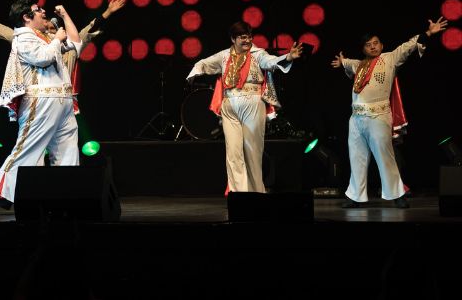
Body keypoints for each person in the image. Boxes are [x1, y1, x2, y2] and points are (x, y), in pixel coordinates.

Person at [331, 17, 448, 208]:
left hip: (378, 116)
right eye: (368, 45)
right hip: (356, 118)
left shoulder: (390, 58)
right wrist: (342, 61)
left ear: (381, 45)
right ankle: (355, 197)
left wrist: (427, 33)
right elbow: (348, 62)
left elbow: (408, 46)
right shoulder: (358, 65)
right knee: (357, 157)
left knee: (385, 156)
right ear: (364, 49)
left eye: (376, 43)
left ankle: (397, 194)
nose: (373, 47)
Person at [0, 0, 83, 216]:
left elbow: (76, 44)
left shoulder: (44, 36)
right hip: (41, 102)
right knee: (28, 150)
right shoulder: (23, 37)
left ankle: (65, 197)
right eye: (38, 10)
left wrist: (65, 15)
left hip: (63, 101)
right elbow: (43, 58)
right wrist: (57, 38)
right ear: (27, 17)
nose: (43, 12)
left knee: (68, 151)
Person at [186, 21, 303, 193]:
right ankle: (239, 194)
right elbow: (204, 63)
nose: (247, 40)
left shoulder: (258, 54)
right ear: (233, 39)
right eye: (242, 37)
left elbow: (271, 62)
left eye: (249, 36)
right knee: (233, 152)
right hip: (229, 105)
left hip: (252, 103)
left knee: (252, 151)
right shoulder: (224, 56)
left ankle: (255, 193)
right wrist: (194, 74)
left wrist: (289, 57)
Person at [0, 0, 126, 114]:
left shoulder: (67, 44)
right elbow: (9, 33)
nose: (48, 25)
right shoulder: (32, 41)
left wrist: (108, 12)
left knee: (66, 141)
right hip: (43, 99)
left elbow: (89, 30)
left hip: (65, 97)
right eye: (46, 23)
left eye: (53, 27)